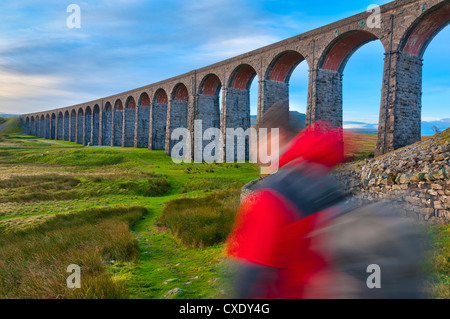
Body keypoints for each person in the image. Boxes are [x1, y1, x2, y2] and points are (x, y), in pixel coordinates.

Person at [226, 100, 425, 299]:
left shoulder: (275, 194)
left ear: (276, 135)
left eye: (258, 139)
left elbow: (249, 282)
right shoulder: (325, 177)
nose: (255, 148)